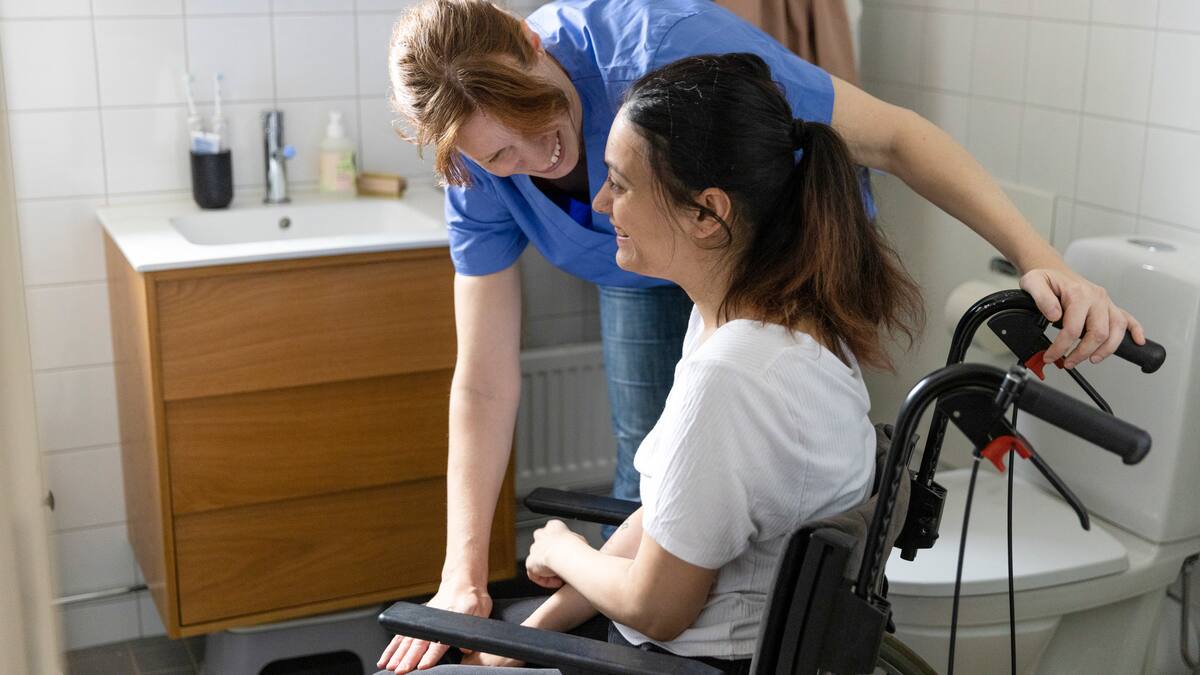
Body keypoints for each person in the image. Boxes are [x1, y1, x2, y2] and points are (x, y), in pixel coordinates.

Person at [380, 0, 1146, 670]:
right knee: (676, 478)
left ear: (530, 41)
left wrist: (1039, 260)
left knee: (720, 456)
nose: (539, 159)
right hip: (701, 282)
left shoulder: (662, 48)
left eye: (538, 119)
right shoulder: (488, 176)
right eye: (501, 156)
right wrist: (470, 580)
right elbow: (484, 380)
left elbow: (896, 139)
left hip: (760, 271)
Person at [379, 50, 924, 674]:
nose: (603, 202)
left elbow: (656, 607)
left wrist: (562, 547)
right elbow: (669, 516)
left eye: (623, 182)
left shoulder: (735, 376)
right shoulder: (759, 320)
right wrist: (517, 646)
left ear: (705, 214)